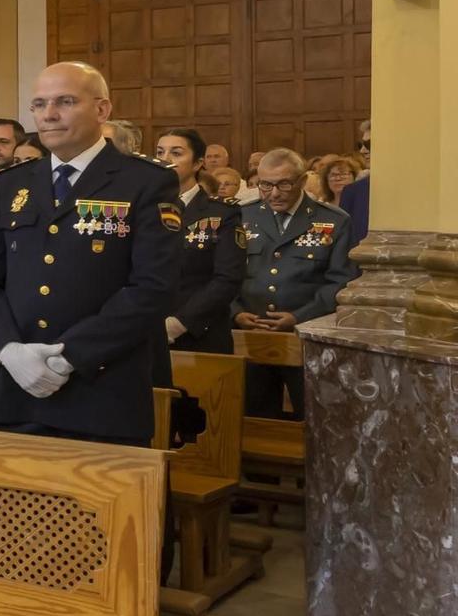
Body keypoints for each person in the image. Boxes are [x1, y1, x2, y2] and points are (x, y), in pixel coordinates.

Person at [0, 62, 181, 447]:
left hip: (102, 391)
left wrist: (70, 357)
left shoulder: (145, 181)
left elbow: (152, 287)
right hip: (19, 390)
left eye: (65, 101)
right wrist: (8, 350)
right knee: (15, 506)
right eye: (39, 104)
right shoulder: (12, 182)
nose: (48, 114)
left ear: (102, 110)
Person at [237, 148, 358, 420]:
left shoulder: (333, 220)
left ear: (303, 181)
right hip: (250, 333)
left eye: (284, 184)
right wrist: (235, 312)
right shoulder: (243, 216)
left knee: (314, 418)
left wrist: (298, 317)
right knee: (254, 418)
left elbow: (341, 280)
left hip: (305, 336)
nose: (274, 193)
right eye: (265, 185)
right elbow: (225, 273)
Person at [153, 129, 243, 356]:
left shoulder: (222, 212)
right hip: (147, 330)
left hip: (200, 333)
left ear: (197, 163)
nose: (165, 159)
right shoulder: (144, 208)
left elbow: (228, 278)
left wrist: (179, 323)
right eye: (160, 152)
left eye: (176, 153)